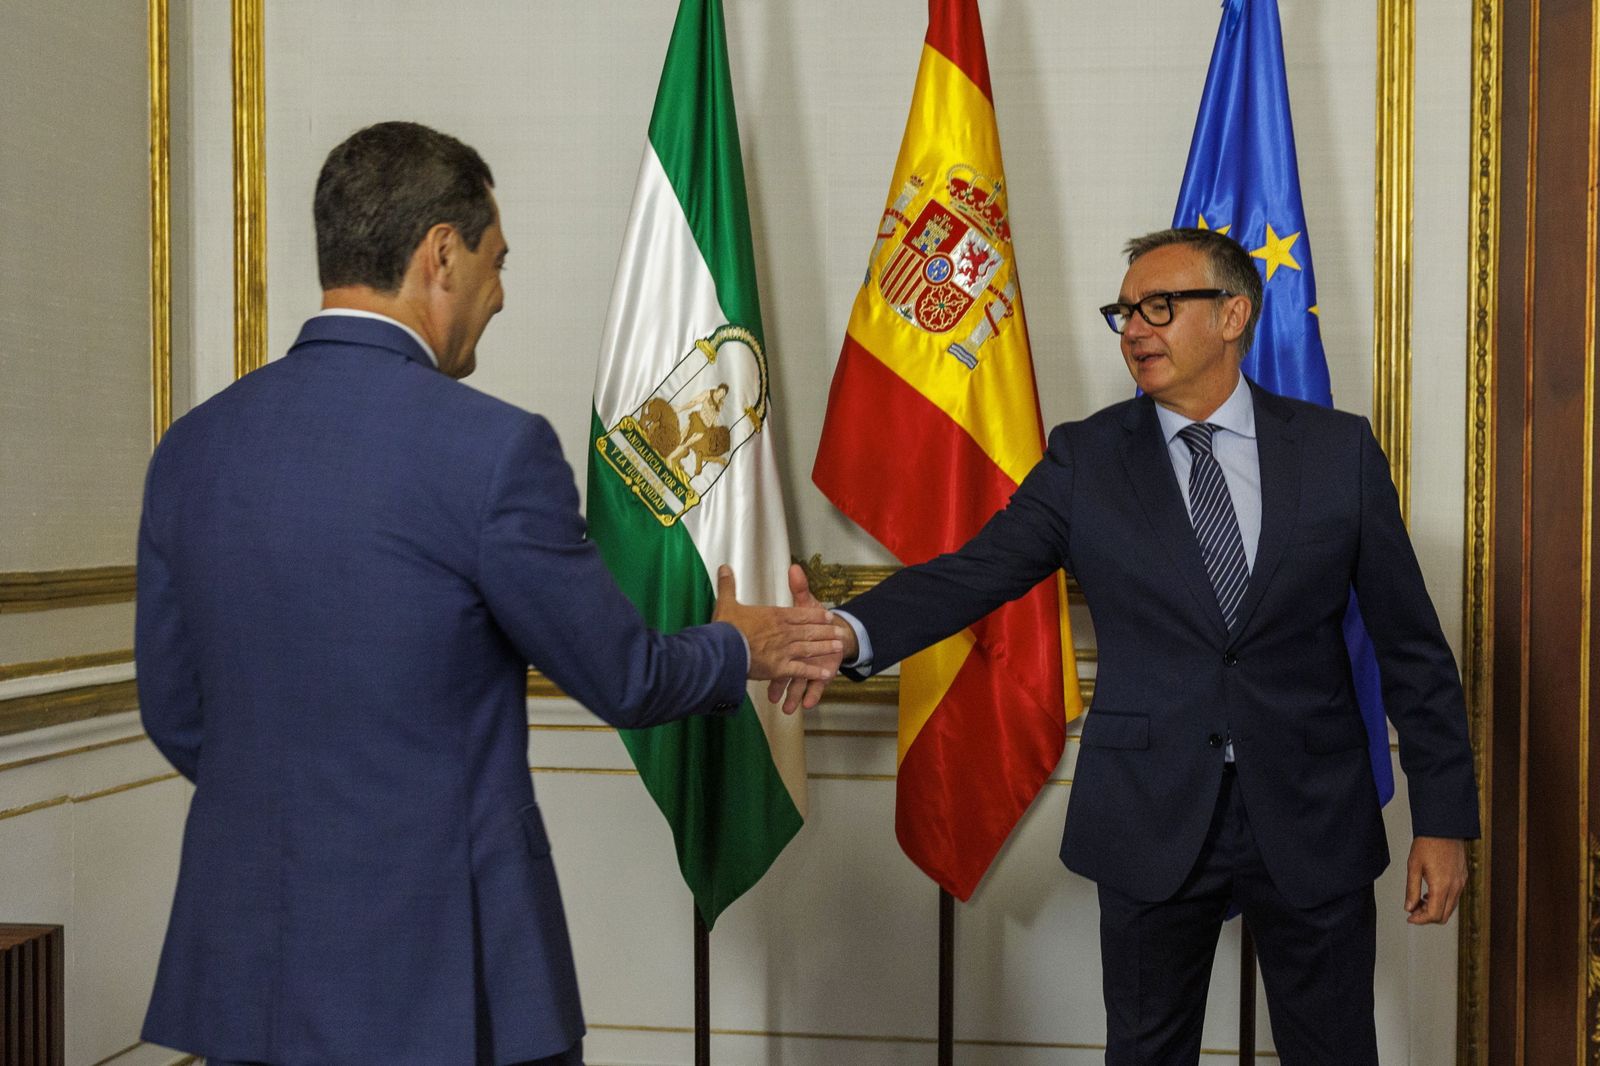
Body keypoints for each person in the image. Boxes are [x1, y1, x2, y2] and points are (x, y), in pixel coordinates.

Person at [135, 121, 839, 1066]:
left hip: (249, 976)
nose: (500, 294)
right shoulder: (491, 451)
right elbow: (625, 677)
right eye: (496, 262)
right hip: (442, 977)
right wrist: (738, 642)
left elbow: (176, 713)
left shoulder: (190, 450)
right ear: (441, 253)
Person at [813, 227, 1479, 1065]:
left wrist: (1445, 822)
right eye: (1124, 311)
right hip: (1149, 813)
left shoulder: (1338, 451)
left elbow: (1412, 650)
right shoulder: (1085, 459)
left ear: (1233, 313)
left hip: (1313, 810)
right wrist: (846, 631)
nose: (1134, 328)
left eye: (1160, 307)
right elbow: (972, 574)